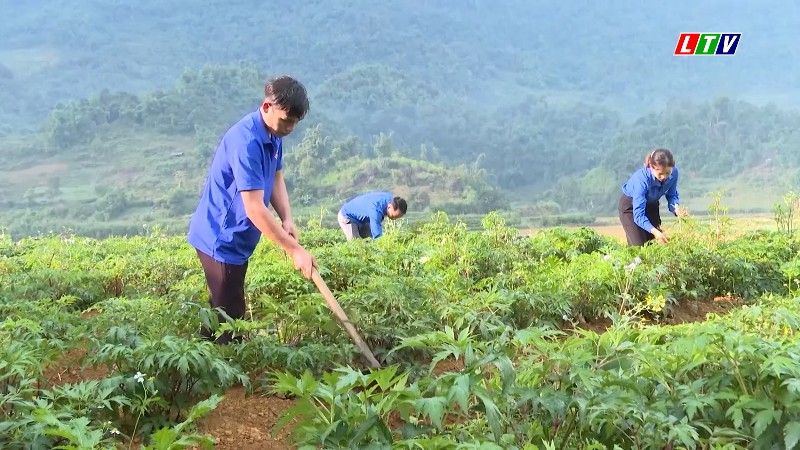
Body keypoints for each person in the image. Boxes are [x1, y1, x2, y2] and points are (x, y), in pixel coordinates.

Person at [187, 75, 316, 344]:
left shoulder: (273, 132)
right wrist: (295, 251)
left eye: (295, 122)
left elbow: (276, 176)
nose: (290, 128)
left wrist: (287, 218)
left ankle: (201, 360)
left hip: (238, 239)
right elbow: (255, 209)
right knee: (229, 320)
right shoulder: (246, 142)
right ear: (267, 107)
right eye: (287, 121)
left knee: (222, 312)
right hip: (220, 239)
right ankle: (220, 375)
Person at [618, 148, 689, 246]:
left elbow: (671, 195)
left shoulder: (674, 172)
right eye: (660, 174)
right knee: (639, 247)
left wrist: (676, 209)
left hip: (651, 206)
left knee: (656, 245)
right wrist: (655, 232)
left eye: (667, 173)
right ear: (651, 167)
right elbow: (638, 215)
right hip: (631, 208)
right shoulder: (641, 180)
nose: (664, 177)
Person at [337, 191, 407, 240]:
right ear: (389, 207)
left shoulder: (393, 200)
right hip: (347, 216)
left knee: (368, 242)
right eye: (394, 216)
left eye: (397, 217)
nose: (394, 219)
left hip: (363, 219)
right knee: (355, 243)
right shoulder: (376, 211)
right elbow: (377, 236)